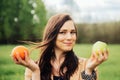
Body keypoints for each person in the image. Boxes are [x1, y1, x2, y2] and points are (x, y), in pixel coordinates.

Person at [11, 13, 109, 80]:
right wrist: (36, 71)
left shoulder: (87, 65)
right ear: (52, 35)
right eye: (63, 32)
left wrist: (88, 71)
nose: (69, 37)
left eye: (73, 32)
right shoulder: (32, 68)